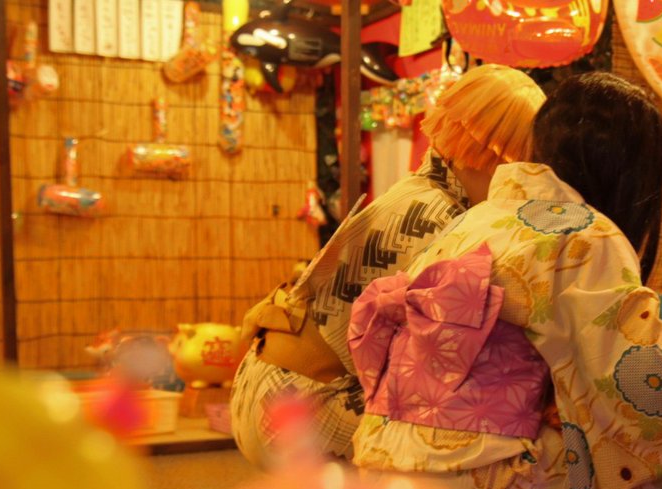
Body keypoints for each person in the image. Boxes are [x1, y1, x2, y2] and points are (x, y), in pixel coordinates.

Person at [348, 72, 662, 489]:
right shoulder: (586, 233)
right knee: (616, 425)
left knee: (569, 406)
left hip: (380, 472)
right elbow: (643, 386)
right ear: (630, 169)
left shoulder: (476, 219)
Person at [231, 65, 547, 467]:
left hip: (269, 380)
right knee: (488, 450)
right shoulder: (442, 218)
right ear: (496, 158)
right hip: (298, 403)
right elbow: (432, 362)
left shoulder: (418, 192)